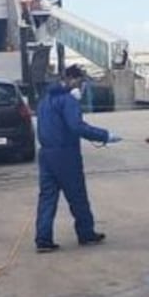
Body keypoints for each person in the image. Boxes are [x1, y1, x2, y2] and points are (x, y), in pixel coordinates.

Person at [34, 64, 120, 253]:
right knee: (77, 195)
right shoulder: (68, 100)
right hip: (65, 154)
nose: (81, 86)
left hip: (46, 154)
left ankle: (43, 239)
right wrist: (105, 135)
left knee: (47, 197)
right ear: (72, 80)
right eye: (80, 82)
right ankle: (86, 233)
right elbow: (77, 127)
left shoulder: (45, 99)